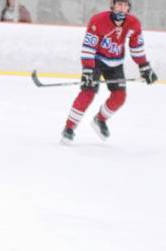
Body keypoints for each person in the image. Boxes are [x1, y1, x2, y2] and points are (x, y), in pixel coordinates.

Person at [61, 0, 158, 144]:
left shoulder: (133, 23)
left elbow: (136, 47)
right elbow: (89, 47)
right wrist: (88, 70)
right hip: (96, 61)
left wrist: (144, 67)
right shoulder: (98, 20)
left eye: (125, 5)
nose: (122, 8)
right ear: (112, 5)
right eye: (119, 4)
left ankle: (100, 120)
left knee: (119, 97)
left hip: (116, 63)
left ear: (128, 8)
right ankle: (69, 128)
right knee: (88, 93)